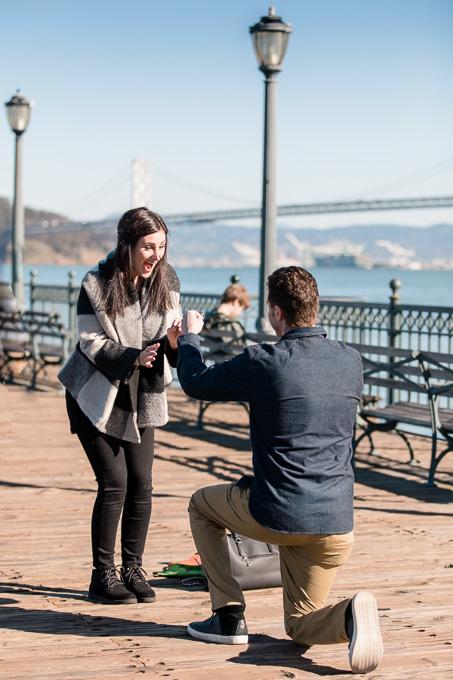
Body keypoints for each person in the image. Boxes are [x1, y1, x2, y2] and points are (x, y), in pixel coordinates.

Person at [175, 266, 383, 674]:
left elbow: (195, 382)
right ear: (315, 307)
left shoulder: (263, 361)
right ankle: (350, 615)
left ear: (274, 311)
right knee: (300, 627)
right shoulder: (351, 361)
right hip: (336, 525)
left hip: (278, 515)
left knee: (201, 505)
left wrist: (188, 338)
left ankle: (228, 616)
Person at [58, 207, 181, 605]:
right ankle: (102, 575)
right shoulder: (96, 283)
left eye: (161, 246)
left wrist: (178, 341)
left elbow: (168, 342)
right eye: (148, 246)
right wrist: (132, 356)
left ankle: (133, 569)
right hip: (95, 392)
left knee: (142, 484)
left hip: (141, 395)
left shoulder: (167, 279)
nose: (156, 255)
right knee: (115, 483)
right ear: (126, 244)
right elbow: (89, 342)